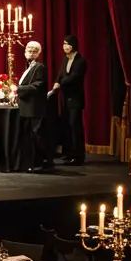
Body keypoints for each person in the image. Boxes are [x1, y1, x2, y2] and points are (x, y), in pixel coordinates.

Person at [51, 35, 87, 166]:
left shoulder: (80, 61)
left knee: (75, 125)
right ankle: (68, 152)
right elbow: (60, 75)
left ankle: (78, 155)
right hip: (65, 98)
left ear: (73, 46)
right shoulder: (65, 59)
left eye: (67, 44)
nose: (64, 47)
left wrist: (60, 84)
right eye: (64, 44)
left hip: (76, 98)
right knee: (65, 124)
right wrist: (56, 83)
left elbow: (75, 77)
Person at [17, 40, 52, 171]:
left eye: (34, 51)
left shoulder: (39, 67)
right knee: (29, 137)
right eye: (29, 50)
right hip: (27, 107)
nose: (31, 53)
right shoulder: (29, 67)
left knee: (35, 136)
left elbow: (38, 85)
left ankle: (39, 163)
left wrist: (19, 88)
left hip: (34, 108)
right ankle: (31, 162)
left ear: (38, 53)